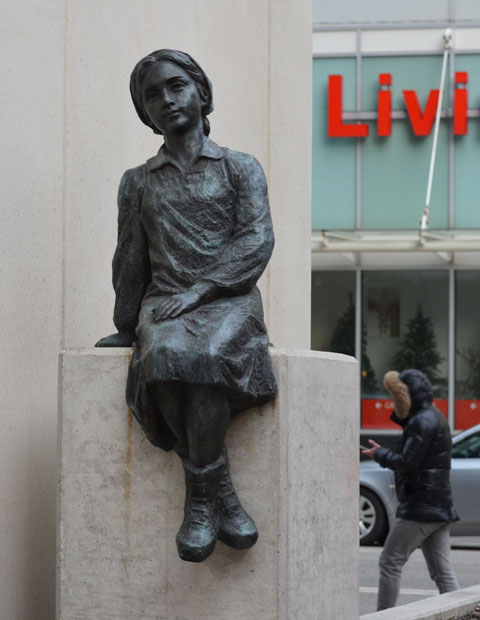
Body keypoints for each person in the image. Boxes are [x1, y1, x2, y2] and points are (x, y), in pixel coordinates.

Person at [96, 49, 277, 562]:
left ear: (200, 91)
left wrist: (200, 292)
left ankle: (199, 497)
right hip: (164, 302)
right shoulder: (138, 180)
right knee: (159, 356)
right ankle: (217, 493)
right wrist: (127, 324)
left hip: (228, 298)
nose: (166, 100)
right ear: (144, 112)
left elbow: (256, 240)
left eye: (176, 86)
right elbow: (130, 256)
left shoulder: (240, 167)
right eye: (152, 95)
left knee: (204, 356)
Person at [362, 369, 459, 611]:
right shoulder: (432, 416)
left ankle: (383, 618)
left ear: (406, 397)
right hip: (437, 504)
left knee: (390, 562)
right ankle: (462, 614)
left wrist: (380, 455)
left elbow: (408, 462)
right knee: (441, 572)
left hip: (420, 507)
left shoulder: (421, 422)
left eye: (396, 398)